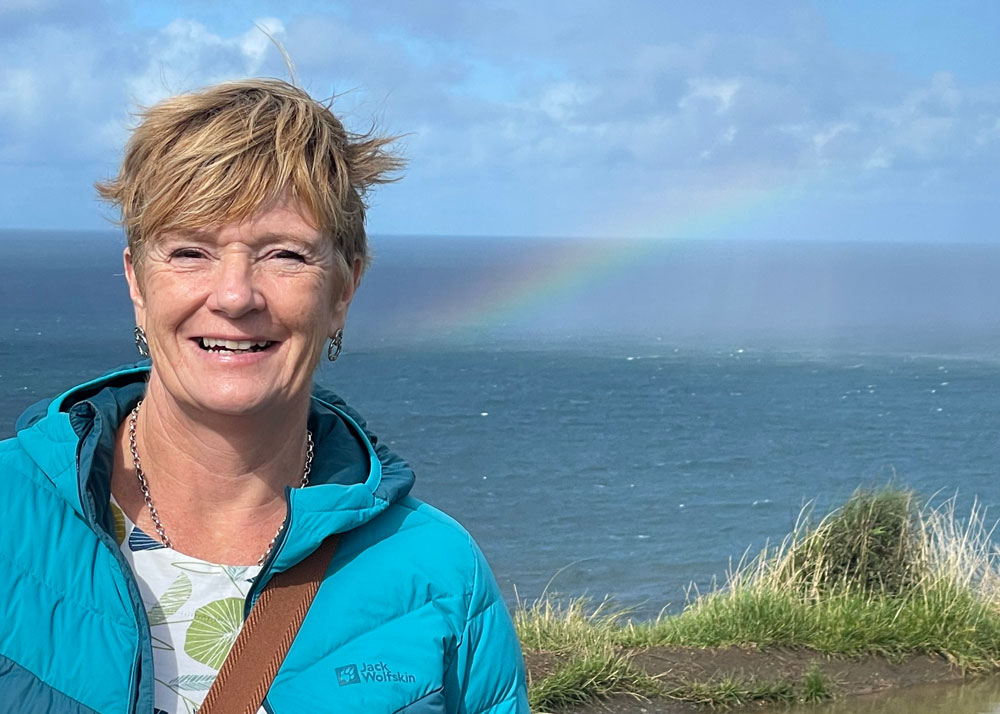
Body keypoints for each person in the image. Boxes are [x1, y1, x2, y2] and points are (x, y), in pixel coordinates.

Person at [0, 78, 529, 713]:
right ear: (137, 282)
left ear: (343, 290)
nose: (234, 296)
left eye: (284, 255)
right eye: (190, 251)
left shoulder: (439, 576)